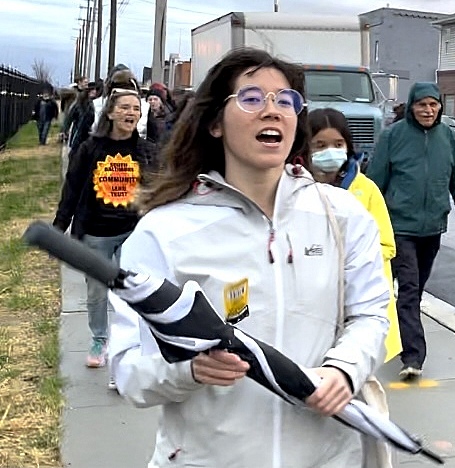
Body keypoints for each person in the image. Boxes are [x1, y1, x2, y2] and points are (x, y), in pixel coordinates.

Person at [108, 47, 390, 468]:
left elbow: (370, 316)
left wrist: (343, 370)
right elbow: (129, 369)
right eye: (252, 98)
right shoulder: (163, 232)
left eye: (286, 101)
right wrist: (188, 371)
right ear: (215, 123)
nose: (272, 111)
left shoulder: (343, 215)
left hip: (329, 456)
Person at [366, 82, 455, 380]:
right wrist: (367, 223)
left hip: (432, 228)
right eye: (421, 105)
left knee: (414, 288)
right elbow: (373, 184)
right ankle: (413, 355)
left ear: (440, 107)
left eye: (433, 105)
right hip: (399, 226)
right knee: (410, 290)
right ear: (412, 106)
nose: (428, 111)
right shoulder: (393, 136)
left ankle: (395, 330)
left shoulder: (448, 138)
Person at [53, 87, 157, 377]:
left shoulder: (146, 151)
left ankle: (129, 351)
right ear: (110, 113)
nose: (131, 113)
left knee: (130, 294)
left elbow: (159, 189)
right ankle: (100, 340)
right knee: (97, 292)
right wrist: (60, 226)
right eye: (124, 108)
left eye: (136, 109)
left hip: (132, 233)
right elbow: (72, 188)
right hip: (96, 233)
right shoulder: (89, 149)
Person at [308, 106, 402, 363]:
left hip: (355, 302)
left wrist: (348, 260)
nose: (330, 151)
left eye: (338, 143)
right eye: (320, 144)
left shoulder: (365, 189)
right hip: (311, 302)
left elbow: (387, 245)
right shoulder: (293, 188)